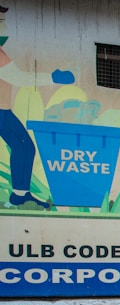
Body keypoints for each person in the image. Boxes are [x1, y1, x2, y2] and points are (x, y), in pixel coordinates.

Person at [0, 4, 74, 210]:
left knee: (24, 146)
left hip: (4, 111)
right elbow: (18, 78)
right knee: (23, 146)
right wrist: (53, 78)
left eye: (3, 21)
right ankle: (19, 195)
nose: (3, 27)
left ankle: (20, 195)